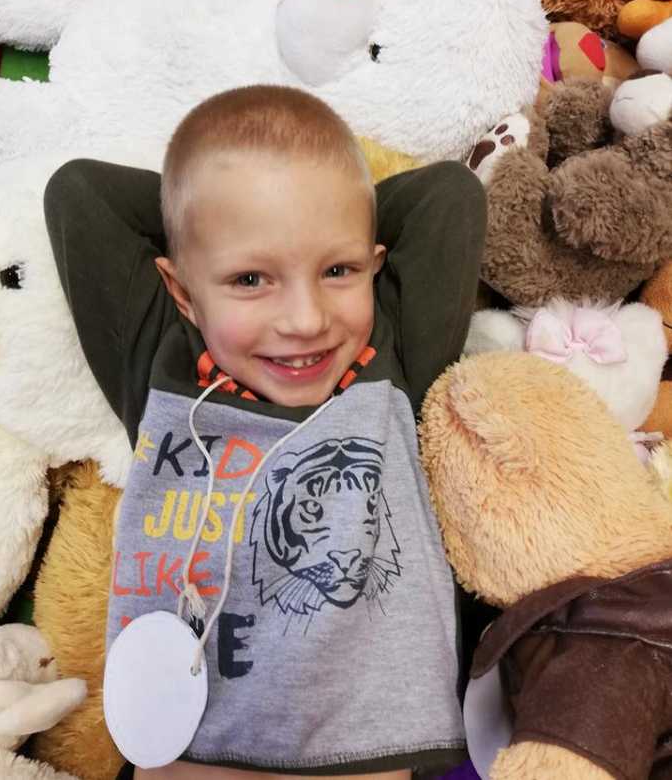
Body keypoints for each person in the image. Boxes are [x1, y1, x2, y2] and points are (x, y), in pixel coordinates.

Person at [44, 85, 486, 780]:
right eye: (250, 279)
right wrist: (209, 207)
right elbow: (80, 193)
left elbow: (448, 195)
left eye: (337, 270)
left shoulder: (393, 355)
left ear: (374, 265)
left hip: (365, 754)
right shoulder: (162, 359)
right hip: (192, 753)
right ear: (182, 292)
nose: (306, 320)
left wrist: (327, 201)